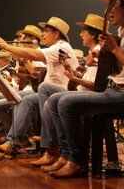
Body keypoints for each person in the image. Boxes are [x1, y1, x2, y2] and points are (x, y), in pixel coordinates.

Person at [46, 0, 124, 178]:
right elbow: (118, 67)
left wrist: (114, 50)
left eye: (114, 7)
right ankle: (65, 154)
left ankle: (77, 161)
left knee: (65, 102)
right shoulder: (123, 32)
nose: (109, 11)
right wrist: (102, 58)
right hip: (113, 90)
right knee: (54, 99)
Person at [0, 17, 79, 154]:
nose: (43, 34)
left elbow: (35, 56)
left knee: (30, 96)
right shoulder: (55, 48)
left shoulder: (61, 47)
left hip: (60, 92)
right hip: (50, 92)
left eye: (46, 30)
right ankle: (17, 140)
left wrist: (6, 46)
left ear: (56, 34)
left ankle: (36, 142)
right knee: (21, 100)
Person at [32, 13, 104, 169]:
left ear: (92, 35)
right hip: (80, 91)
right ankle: (61, 153)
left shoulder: (98, 52)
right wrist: (73, 76)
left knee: (52, 96)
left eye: (83, 31)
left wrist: (75, 79)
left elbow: (96, 85)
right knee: (49, 101)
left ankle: (59, 151)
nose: (80, 34)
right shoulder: (90, 54)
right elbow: (80, 81)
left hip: (89, 95)